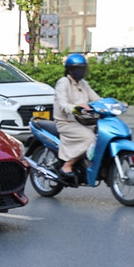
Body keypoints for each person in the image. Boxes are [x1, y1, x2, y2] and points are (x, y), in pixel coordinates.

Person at [52, 53, 101, 182]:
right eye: (78, 69)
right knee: (89, 138)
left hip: (84, 121)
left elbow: (96, 99)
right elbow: (63, 104)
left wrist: (115, 104)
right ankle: (67, 165)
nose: (81, 71)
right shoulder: (63, 82)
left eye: (82, 68)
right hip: (66, 122)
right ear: (70, 69)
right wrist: (77, 107)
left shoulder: (83, 83)